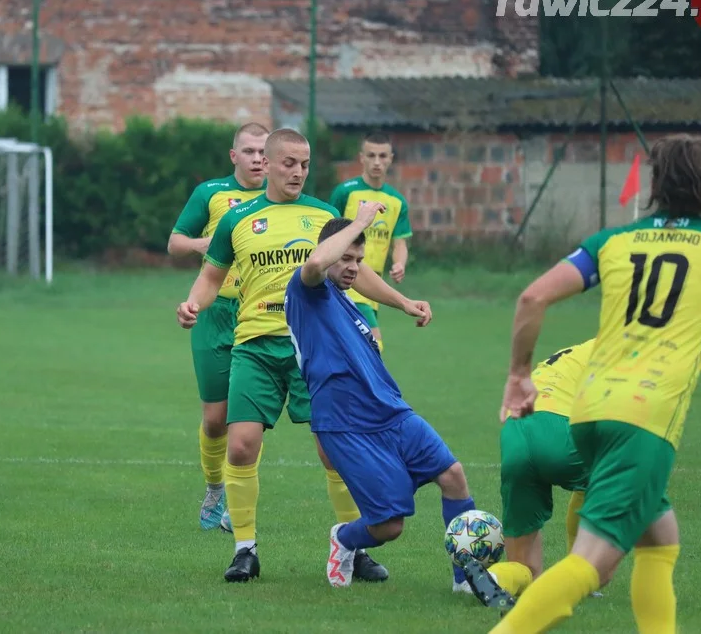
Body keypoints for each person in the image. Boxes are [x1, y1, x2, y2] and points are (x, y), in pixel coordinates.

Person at [488, 134, 701, 634]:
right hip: (644, 422)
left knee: (661, 541)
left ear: (655, 183)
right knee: (588, 564)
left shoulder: (611, 242)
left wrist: (517, 375)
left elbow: (532, 299)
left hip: (587, 414)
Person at [176, 128, 409, 583]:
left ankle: (354, 549)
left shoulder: (323, 215)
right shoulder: (237, 218)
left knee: (333, 451)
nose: (298, 172)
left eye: (304, 164)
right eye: (289, 163)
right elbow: (210, 277)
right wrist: (193, 304)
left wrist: (403, 302)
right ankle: (245, 550)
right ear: (269, 161)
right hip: (255, 347)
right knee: (241, 445)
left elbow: (353, 271)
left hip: (315, 349)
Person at [284, 210, 482, 593]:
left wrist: (404, 303)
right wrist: (357, 224)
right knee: (388, 527)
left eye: (359, 260)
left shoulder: (349, 303)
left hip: (392, 412)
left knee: (453, 476)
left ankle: (465, 579)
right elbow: (316, 262)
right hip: (345, 425)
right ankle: (344, 538)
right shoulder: (305, 290)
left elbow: (361, 278)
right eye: (347, 258)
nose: (354, 268)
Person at [167, 122, 269, 531]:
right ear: (234, 156)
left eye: (264, 151)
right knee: (214, 419)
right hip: (214, 315)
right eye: (249, 151)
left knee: (247, 417)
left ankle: (234, 502)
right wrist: (200, 244)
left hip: (257, 316)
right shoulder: (210, 194)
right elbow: (175, 242)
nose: (258, 158)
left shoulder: (277, 201)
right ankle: (214, 488)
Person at [463, 340, 596, 609]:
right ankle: (581, 572)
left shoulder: (578, 352)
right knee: (603, 479)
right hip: (556, 425)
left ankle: (494, 577)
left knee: (527, 571)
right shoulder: (623, 351)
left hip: (516, 431)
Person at [328, 132, 411, 352]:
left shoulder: (397, 201)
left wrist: (399, 263)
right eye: (371, 155)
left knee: (351, 347)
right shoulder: (345, 192)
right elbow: (327, 235)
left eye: (382, 156)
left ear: (391, 158)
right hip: (347, 282)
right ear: (361, 158)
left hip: (374, 286)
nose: (377, 162)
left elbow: (400, 243)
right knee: (374, 343)